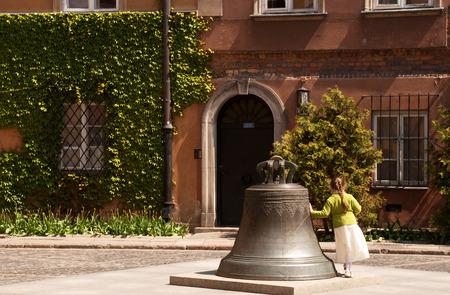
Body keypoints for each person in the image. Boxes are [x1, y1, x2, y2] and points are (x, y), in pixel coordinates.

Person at [309, 176, 369, 278]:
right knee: (351, 246)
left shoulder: (331, 199)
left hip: (339, 226)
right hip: (352, 224)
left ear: (331, 188)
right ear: (344, 186)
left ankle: (347, 267)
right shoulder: (349, 197)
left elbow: (324, 213)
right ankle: (348, 270)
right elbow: (358, 209)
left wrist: (311, 212)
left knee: (345, 247)